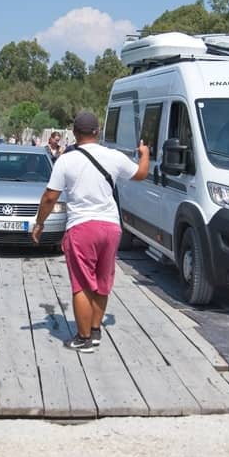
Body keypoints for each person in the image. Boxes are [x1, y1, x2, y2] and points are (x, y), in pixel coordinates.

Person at [32, 111, 149, 353]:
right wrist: (145, 155)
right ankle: (95, 330)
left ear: (74, 134)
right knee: (102, 281)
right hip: (110, 227)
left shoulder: (66, 160)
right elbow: (140, 174)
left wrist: (40, 223)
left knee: (82, 285)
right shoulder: (114, 157)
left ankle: (83, 339)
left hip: (82, 227)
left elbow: (50, 197)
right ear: (98, 132)